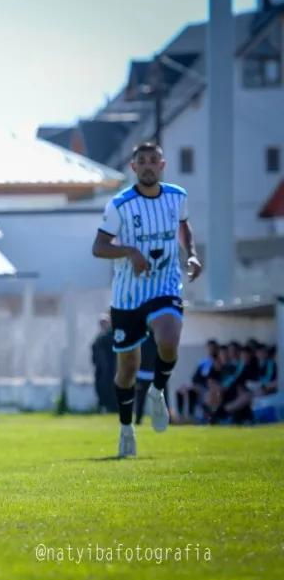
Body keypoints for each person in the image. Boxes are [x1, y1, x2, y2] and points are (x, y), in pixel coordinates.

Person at [92, 141, 202, 458]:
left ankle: (156, 391)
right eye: (143, 161)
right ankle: (127, 430)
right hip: (128, 294)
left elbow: (184, 228)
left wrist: (192, 255)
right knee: (127, 368)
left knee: (168, 337)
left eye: (154, 160)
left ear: (163, 165)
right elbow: (98, 247)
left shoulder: (176, 197)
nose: (149, 166)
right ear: (134, 167)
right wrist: (129, 251)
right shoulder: (120, 204)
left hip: (165, 284)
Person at [91, 315, 117, 413]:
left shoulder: (111, 336)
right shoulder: (99, 337)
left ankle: (112, 408)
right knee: (100, 388)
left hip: (110, 368)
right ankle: (102, 406)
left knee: (110, 388)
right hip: (100, 368)